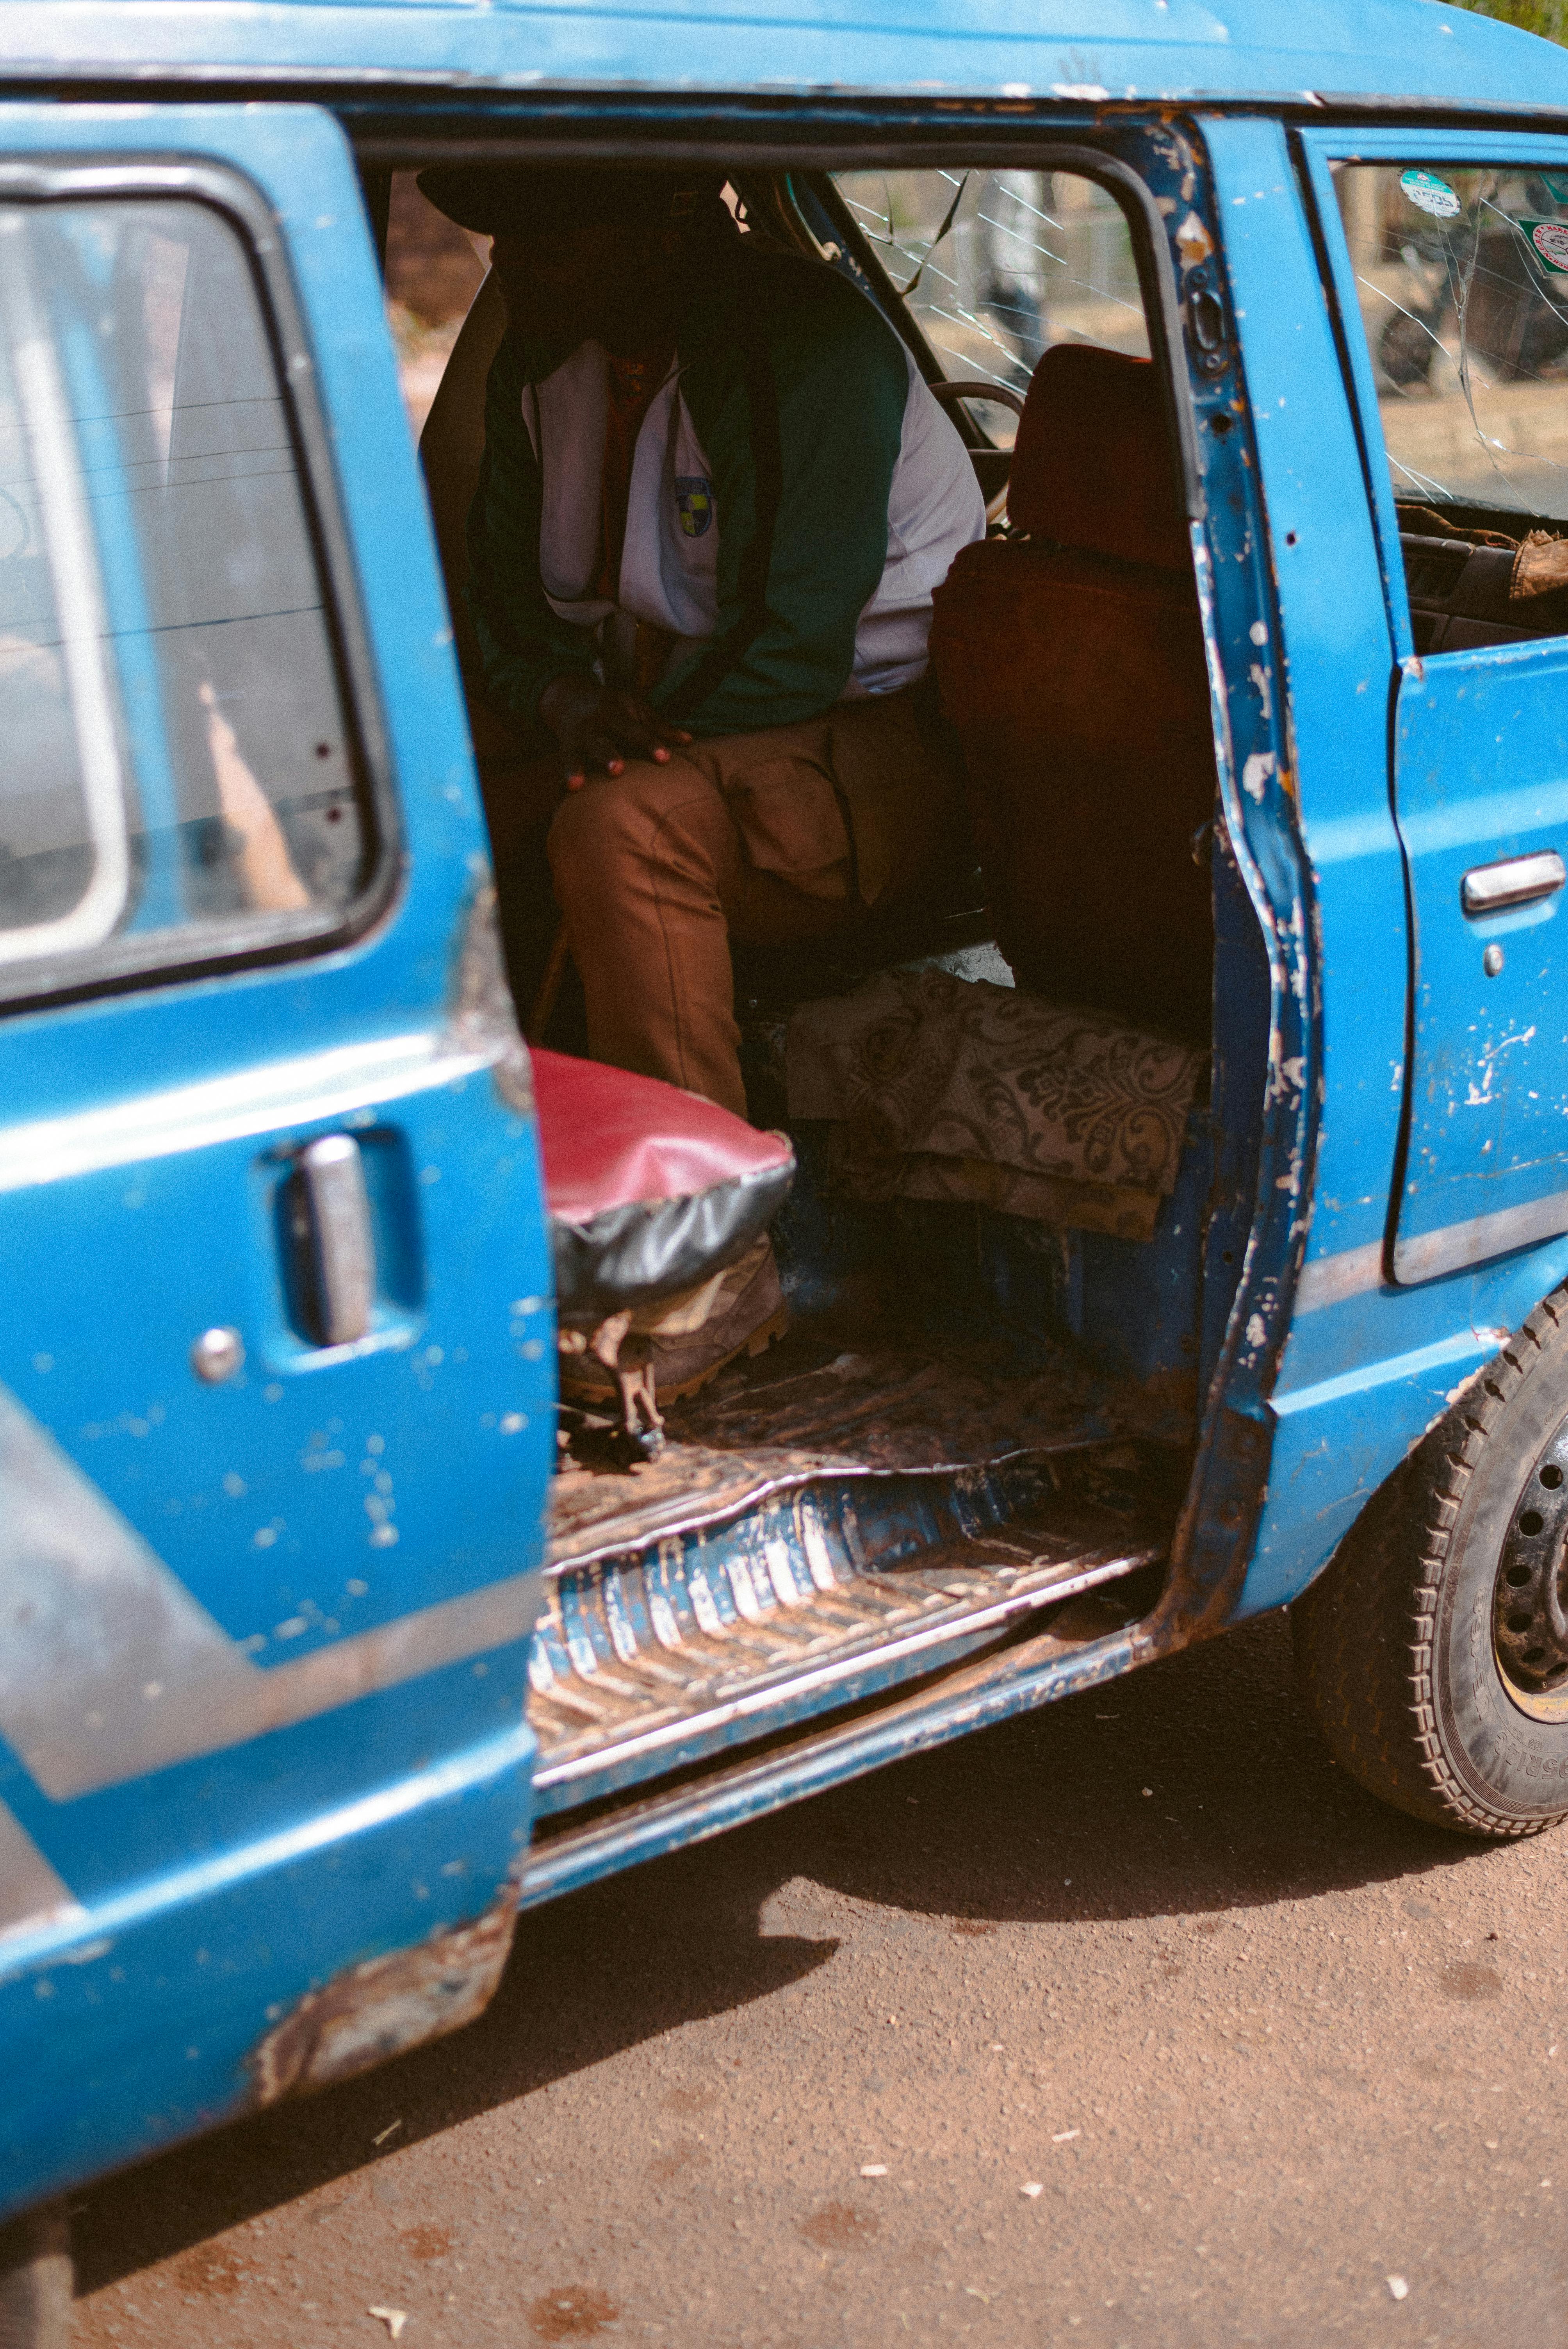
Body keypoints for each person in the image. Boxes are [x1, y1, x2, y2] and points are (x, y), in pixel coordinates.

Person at [419, 162, 986, 1394]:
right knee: (432, 804)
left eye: (553, 235)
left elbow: (791, 644)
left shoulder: (805, 348)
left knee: (623, 829)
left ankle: (710, 1255)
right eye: (510, 238)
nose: (516, 267)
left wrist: (609, 741)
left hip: (858, 736)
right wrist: (561, 705)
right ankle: (490, 1188)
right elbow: (503, 606)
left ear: (663, 223)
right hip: (654, 705)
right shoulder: (543, 364)